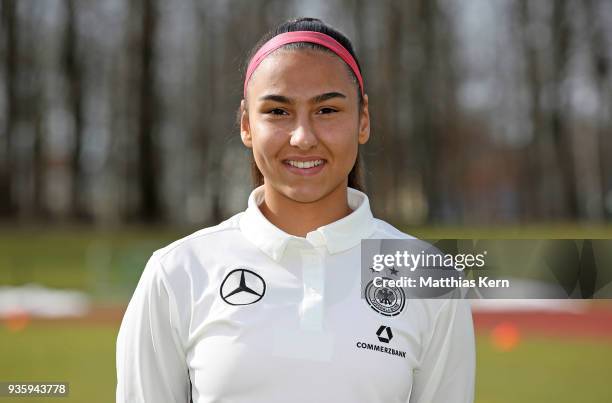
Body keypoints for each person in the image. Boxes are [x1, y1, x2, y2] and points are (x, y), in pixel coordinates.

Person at [116, 17, 475, 403]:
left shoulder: (428, 277)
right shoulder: (178, 272)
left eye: (327, 111)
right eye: (277, 111)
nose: (303, 137)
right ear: (246, 124)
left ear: (363, 120)